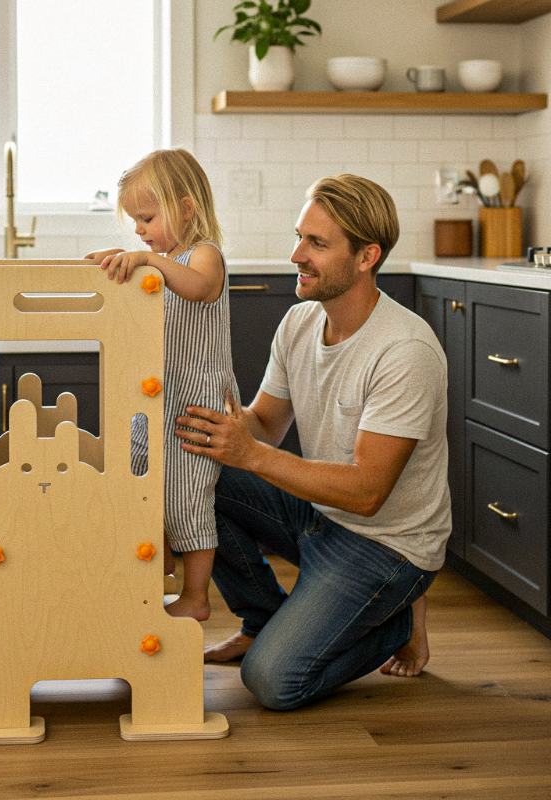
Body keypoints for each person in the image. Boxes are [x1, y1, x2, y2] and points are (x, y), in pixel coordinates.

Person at [174, 174, 452, 710]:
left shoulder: (404, 351)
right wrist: (210, 421)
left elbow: (368, 492)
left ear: (367, 256)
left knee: (274, 683)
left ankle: (397, 621)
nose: (296, 254)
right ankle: (262, 620)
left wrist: (250, 453)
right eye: (299, 236)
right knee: (193, 470)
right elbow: (265, 425)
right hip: (317, 512)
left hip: (386, 544)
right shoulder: (300, 322)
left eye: (317, 244)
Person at [85, 148, 240, 621]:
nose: (139, 230)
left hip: (196, 408)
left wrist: (147, 262)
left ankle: (196, 597)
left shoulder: (202, 255)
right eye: (135, 221)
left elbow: (198, 287)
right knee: (139, 492)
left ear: (187, 208)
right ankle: (152, 579)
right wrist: (123, 266)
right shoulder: (162, 263)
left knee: (186, 501)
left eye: (147, 218)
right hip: (154, 403)